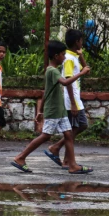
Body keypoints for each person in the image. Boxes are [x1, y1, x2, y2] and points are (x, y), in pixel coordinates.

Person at [11, 41, 93, 174]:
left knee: (68, 134)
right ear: (56, 56)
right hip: (54, 110)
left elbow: (46, 92)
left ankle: (72, 165)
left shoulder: (53, 71)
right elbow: (66, 82)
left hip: (59, 110)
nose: (65, 57)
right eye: (62, 55)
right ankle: (20, 157)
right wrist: (81, 73)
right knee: (45, 136)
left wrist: (40, 110)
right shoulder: (52, 71)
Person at [45, 29, 89, 170]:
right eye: (81, 40)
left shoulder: (72, 56)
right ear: (77, 42)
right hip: (71, 99)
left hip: (75, 98)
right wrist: (74, 104)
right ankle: (62, 156)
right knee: (72, 130)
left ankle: (59, 150)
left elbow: (86, 69)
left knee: (78, 126)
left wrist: (81, 56)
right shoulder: (68, 59)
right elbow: (68, 81)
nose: (82, 43)